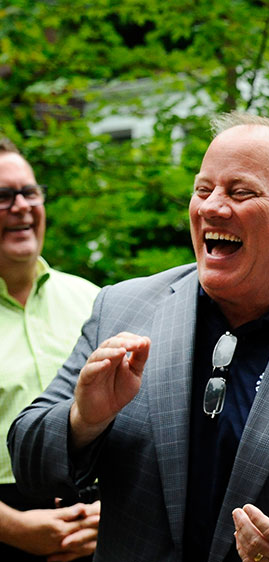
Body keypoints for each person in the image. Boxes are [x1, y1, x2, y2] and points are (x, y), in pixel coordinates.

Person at [8, 114, 269, 562]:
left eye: (240, 192)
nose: (211, 207)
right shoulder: (122, 308)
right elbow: (29, 458)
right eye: (202, 189)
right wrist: (83, 420)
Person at [0, 138, 101, 561]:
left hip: (97, 524)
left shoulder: (96, 301)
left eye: (30, 192)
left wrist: (111, 511)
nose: (22, 206)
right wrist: (14, 528)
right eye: (3, 196)